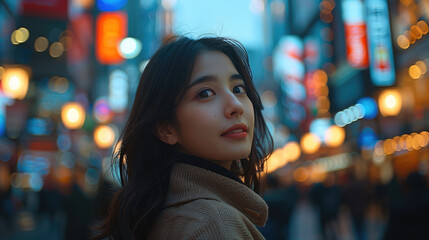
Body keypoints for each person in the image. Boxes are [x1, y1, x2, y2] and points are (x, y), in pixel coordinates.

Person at [93, 36, 273, 239]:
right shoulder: (214, 224)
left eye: (238, 89)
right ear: (166, 129)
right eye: (205, 93)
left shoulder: (166, 214)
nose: (236, 106)